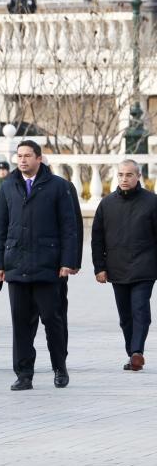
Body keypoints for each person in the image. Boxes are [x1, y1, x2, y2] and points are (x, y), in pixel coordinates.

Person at [0, 140, 79, 391]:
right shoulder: (8, 186)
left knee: (53, 320)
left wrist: (68, 262)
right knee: (20, 324)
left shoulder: (58, 187)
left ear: (39, 158)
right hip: (16, 267)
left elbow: (69, 227)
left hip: (48, 267)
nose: (22, 160)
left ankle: (59, 367)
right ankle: (24, 374)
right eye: (19, 156)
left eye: (27, 156)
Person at [92, 159, 157, 371]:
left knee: (140, 310)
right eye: (120, 174)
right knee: (125, 317)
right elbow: (97, 239)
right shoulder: (107, 204)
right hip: (117, 268)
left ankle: (137, 351)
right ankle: (133, 355)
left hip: (144, 268)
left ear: (138, 176)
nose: (124, 179)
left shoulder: (152, 202)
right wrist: (99, 267)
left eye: (129, 175)